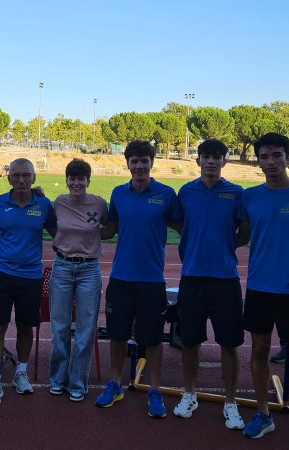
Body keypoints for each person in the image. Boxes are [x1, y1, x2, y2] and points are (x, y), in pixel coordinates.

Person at [236, 133, 289, 448]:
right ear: (258, 160)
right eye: (264, 156)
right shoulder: (250, 197)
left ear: (288, 157)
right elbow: (242, 236)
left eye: (277, 155)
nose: (270, 162)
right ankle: (263, 414)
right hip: (259, 287)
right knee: (258, 350)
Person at [94, 140, 181, 418]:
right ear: (127, 163)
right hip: (121, 277)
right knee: (117, 335)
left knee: (152, 339)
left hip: (152, 279)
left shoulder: (167, 194)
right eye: (135, 161)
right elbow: (108, 231)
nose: (140, 166)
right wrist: (79, 222)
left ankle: (155, 390)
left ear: (152, 162)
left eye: (144, 160)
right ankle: (115, 384)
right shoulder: (119, 193)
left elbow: (184, 227)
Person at [171, 139, 245, 429]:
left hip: (225, 278)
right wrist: (195, 240)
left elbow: (245, 230)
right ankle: (189, 393)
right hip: (192, 277)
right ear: (198, 160)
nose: (211, 161)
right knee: (190, 340)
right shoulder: (186, 192)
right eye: (206, 156)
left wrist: (226, 245)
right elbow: (179, 223)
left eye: (217, 156)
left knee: (229, 342)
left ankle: (231, 402)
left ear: (225, 161)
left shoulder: (236, 193)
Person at [0, 158, 57, 406]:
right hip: (0, 275)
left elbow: (58, 234)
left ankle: (21, 372)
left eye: (26, 175)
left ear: (34, 178)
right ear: (9, 178)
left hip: (30, 276)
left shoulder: (44, 205)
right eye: (16, 175)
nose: (21, 180)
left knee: (26, 326)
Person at [48, 158, 107, 402]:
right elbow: (52, 227)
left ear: (88, 181)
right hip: (62, 267)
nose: (76, 183)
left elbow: (110, 229)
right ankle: (58, 379)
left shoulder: (99, 204)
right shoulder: (59, 203)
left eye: (81, 178)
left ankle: (78, 383)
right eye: (72, 178)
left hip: (89, 270)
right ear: (66, 181)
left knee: (86, 328)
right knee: (59, 327)